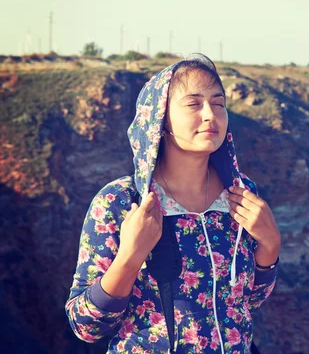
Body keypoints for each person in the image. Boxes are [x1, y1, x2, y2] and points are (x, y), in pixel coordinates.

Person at [65, 54, 280, 353]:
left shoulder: (240, 194)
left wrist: (270, 245)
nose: (210, 114)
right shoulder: (121, 203)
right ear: (159, 118)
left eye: (218, 103)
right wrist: (130, 257)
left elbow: (247, 302)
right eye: (194, 104)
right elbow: (85, 327)